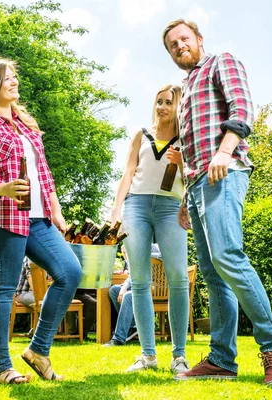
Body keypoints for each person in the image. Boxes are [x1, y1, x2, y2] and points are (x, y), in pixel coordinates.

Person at [162, 19, 272, 384]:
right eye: (172, 45)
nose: (179, 47)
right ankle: (221, 359)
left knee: (227, 256)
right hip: (199, 182)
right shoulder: (185, 91)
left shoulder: (222, 62)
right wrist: (187, 197)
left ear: (199, 40)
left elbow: (243, 106)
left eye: (184, 39)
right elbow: (190, 149)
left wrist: (225, 150)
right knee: (212, 273)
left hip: (225, 170)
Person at [0, 57, 83, 384]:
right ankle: (1, 369)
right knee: (4, 289)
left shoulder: (27, 124)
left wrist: (55, 207)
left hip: (39, 219)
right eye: (6, 78)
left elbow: (43, 171)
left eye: (14, 77)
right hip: (3, 218)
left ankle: (38, 350)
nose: (13, 82)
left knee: (69, 272)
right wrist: (1, 188)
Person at [110, 85, 190, 375]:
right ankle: (147, 355)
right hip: (136, 206)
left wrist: (183, 165)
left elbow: (191, 179)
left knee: (179, 278)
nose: (163, 107)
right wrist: (116, 209)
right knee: (140, 282)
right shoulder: (141, 134)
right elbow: (128, 173)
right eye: (159, 102)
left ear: (177, 106)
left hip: (171, 207)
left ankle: (179, 356)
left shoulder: (185, 138)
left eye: (169, 102)